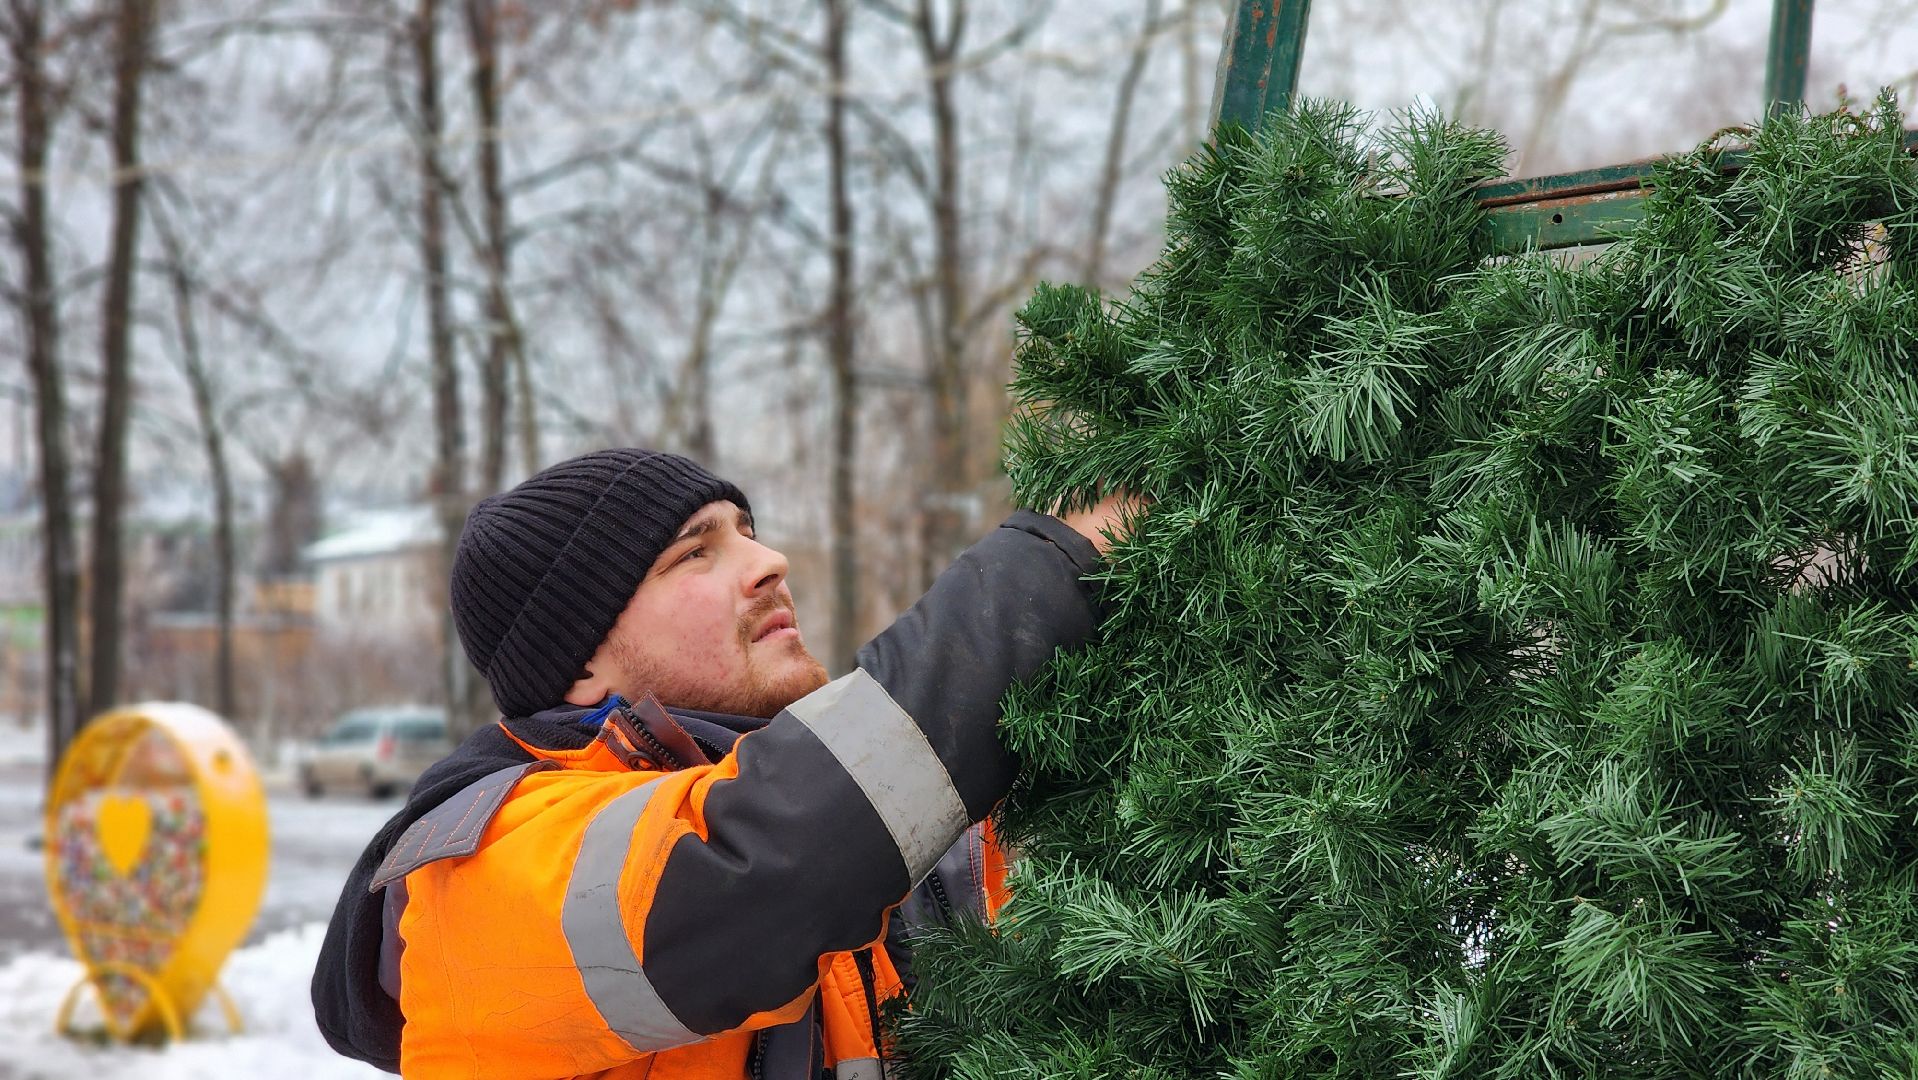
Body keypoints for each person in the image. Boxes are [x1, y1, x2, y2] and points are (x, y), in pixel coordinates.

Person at [312, 447, 1130, 1079]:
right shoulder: (468, 879)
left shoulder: (850, 842)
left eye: (747, 530)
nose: (767, 562)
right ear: (581, 666)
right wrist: (1057, 562)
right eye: (694, 553)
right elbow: (769, 862)